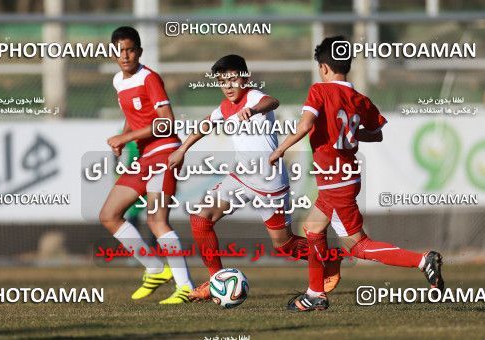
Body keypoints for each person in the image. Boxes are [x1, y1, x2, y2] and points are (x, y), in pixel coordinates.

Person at [269, 36, 444, 311]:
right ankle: (315, 293)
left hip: (335, 181)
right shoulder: (360, 99)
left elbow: (304, 126)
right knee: (313, 228)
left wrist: (278, 151)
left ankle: (422, 260)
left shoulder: (320, 91)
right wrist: (349, 134)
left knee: (358, 246)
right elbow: (377, 135)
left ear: (323, 68)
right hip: (344, 177)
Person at [167, 54, 341, 301]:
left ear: (244, 78)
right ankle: (216, 281)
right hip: (240, 177)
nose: (227, 86)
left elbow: (273, 101)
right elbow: (207, 124)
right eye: (222, 82)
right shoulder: (225, 107)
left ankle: (330, 258)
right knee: (200, 218)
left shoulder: (254, 97)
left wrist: (254, 109)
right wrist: (182, 149)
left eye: (232, 79)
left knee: (284, 245)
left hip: (269, 183)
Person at [99, 26, 193, 304]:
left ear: (139, 51)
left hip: (164, 152)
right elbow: (134, 116)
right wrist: (123, 139)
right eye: (120, 51)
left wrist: (125, 136)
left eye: (130, 50)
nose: (125, 55)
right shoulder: (118, 80)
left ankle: (185, 287)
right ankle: (154, 268)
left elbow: (166, 122)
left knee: (156, 220)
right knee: (109, 215)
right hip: (144, 156)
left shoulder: (149, 78)